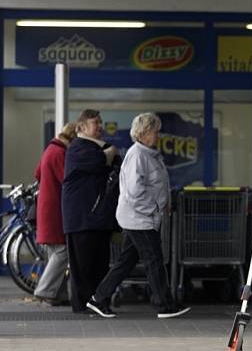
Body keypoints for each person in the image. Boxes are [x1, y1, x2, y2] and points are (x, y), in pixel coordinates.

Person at [86, 113, 190, 319]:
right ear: (143, 133)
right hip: (139, 218)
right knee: (154, 259)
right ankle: (164, 305)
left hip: (141, 217)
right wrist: (156, 206)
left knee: (126, 261)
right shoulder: (138, 156)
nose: (158, 135)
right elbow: (135, 190)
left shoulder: (148, 154)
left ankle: (98, 298)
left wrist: (163, 203)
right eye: (155, 131)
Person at [62, 109, 120, 313]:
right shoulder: (78, 148)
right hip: (82, 218)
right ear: (82, 128)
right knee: (84, 266)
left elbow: (114, 161)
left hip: (96, 217)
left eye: (100, 122)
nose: (100, 126)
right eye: (96, 122)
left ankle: (97, 302)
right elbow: (99, 161)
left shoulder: (93, 147)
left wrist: (110, 152)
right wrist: (109, 152)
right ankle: (83, 306)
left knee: (99, 264)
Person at [32, 122, 78, 305]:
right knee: (63, 251)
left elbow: (37, 174)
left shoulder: (49, 149)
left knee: (54, 252)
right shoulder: (60, 153)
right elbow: (67, 180)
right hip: (55, 209)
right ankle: (45, 289)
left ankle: (58, 295)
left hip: (46, 206)